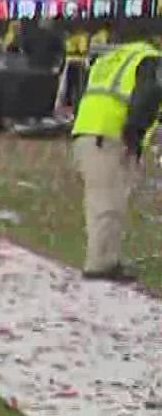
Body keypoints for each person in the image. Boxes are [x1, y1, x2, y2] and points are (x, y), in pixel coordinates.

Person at [69, 35, 160, 281]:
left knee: (100, 199)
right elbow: (148, 97)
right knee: (109, 202)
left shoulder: (110, 59)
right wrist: (134, 135)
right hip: (110, 134)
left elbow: (81, 95)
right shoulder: (148, 59)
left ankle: (104, 257)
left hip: (86, 130)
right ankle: (101, 265)